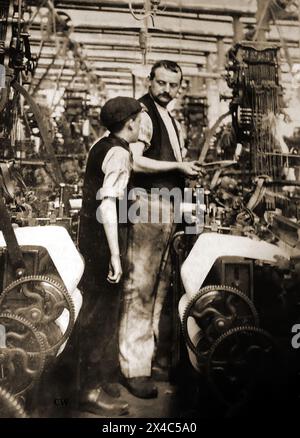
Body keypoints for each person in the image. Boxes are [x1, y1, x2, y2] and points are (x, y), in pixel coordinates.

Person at [119, 60, 203, 398]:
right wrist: (179, 165)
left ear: (179, 88)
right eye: (161, 82)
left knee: (160, 289)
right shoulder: (143, 113)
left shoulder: (169, 117)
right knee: (140, 288)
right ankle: (133, 368)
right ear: (150, 81)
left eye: (173, 84)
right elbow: (134, 160)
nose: (167, 89)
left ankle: (149, 359)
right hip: (147, 206)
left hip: (167, 207)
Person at [77, 96, 143, 415]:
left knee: (100, 310)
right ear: (130, 122)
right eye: (139, 119)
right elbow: (107, 206)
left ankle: (99, 379)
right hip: (104, 240)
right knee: (98, 316)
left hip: (92, 237)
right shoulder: (118, 152)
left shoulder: (101, 144)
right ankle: (88, 391)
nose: (142, 124)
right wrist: (115, 255)